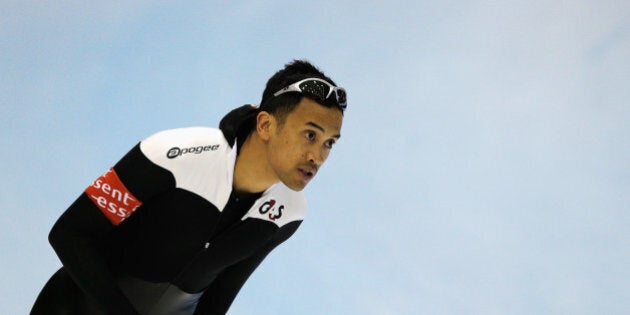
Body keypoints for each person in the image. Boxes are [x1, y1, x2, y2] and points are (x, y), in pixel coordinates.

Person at [30, 60, 347, 315]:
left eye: (329, 143)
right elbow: (69, 234)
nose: (317, 156)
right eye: (310, 135)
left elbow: (221, 293)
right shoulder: (173, 154)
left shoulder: (288, 212)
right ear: (265, 124)